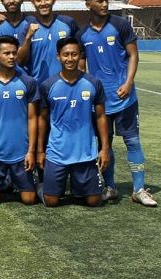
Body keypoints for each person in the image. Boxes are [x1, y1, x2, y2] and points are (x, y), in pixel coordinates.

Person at [77, 0, 156, 206]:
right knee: (105, 144)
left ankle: (139, 189)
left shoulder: (120, 25)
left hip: (124, 98)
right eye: (99, 1)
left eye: (106, 0)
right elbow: (82, 68)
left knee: (132, 141)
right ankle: (110, 187)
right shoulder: (82, 34)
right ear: (88, 4)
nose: (105, 4)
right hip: (100, 102)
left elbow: (133, 56)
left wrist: (129, 83)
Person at [37, 37, 110, 207]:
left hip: (85, 152)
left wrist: (104, 148)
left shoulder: (93, 83)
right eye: (66, 55)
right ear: (58, 56)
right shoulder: (48, 85)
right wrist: (40, 151)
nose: (70, 59)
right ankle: (41, 186)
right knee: (51, 202)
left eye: (74, 55)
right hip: (57, 152)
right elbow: (42, 119)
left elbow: (101, 117)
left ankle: (80, 188)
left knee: (94, 202)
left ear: (80, 56)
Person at [0, 36, 39, 205]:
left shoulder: (28, 82)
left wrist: (31, 151)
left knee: (29, 200)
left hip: (21, 151)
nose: (12, 57)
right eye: (7, 53)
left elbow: (33, 117)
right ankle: (5, 181)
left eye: (14, 53)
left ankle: (17, 181)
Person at [19, 0, 79, 84]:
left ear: (54, 0)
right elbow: (20, 61)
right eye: (38, 0)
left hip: (66, 85)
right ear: (33, 3)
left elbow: (80, 56)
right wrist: (28, 38)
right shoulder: (26, 28)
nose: (43, 3)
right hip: (39, 87)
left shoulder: (68, 23)